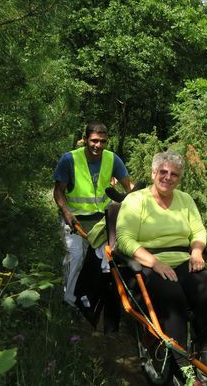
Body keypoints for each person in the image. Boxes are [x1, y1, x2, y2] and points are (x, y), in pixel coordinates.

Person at [115, 150, 207, 375]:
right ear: (153, 173)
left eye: (174, 174)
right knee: (173, 299)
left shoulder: (185, 200)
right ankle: (180, 362)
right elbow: (124, 240)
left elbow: (198, 230)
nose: (168, 177)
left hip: (184, 258)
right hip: (148, 262)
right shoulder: (136, 200)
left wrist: (197, 251)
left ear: (179, 178)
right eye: (163, 172)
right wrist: (154, 263)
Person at [53, 121, 133, 307]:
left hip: (102, 220)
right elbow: (58, 192)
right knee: (75, 257)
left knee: (103, 259)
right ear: (85, 139)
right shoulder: (69, 159)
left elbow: (129, 187)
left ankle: (92, 296)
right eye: (94, 141)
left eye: (103, 141)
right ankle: (69, 298)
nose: (98, 145)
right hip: (75, 219)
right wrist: (66, 213)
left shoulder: (113, 159)